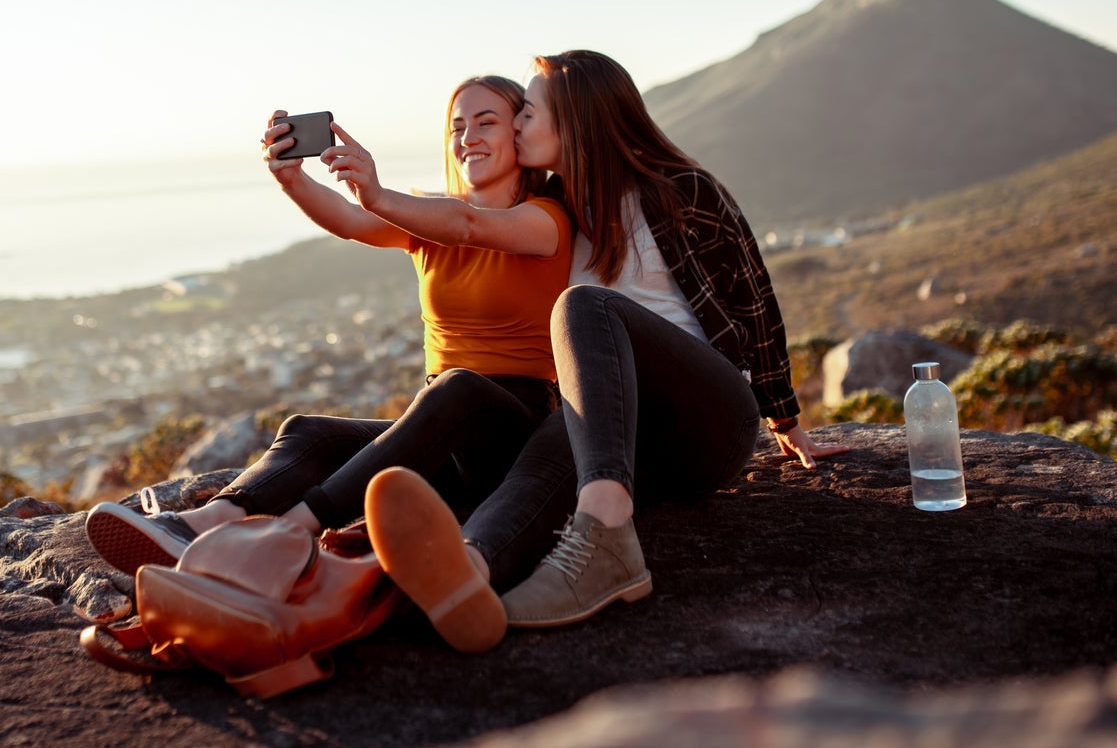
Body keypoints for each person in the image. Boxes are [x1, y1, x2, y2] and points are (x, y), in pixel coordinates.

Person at [356, 49, 850, 643]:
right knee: (553, 440)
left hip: (707, 424)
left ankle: (607, 537)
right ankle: (469, 571)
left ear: (576, 119)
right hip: (629, 444)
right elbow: (465, 221)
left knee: (584, 306)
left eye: (528, 115)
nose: (514, 126)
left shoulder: (677, 190)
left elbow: (753, 299)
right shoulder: (556, 213)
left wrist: (785, 419)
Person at [85, 76, 575, 652]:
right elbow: (351, 221)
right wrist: (293, 179)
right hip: (441, 434)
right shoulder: (431, 218)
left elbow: (469, 227)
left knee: (458, 388)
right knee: (307, 431)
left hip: (508, 431)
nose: (468, 137)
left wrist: (378, 192)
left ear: (520, 133)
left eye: (486, 122)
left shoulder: (546, 220)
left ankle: (294, 530)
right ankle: (204, 525)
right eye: (457, 126)